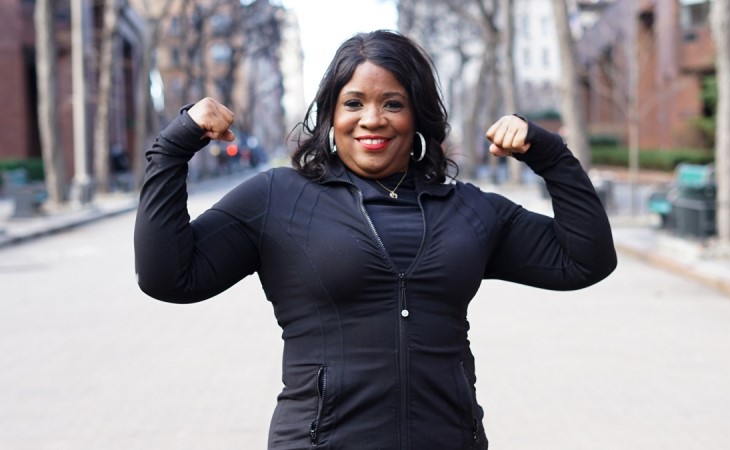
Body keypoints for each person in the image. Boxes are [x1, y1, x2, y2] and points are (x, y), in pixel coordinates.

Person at [134, 30, 616, 449]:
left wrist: (551, 156)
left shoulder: (469, 209)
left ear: (417, 115)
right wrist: (174, 146)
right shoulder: (277, 199)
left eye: (392, 103)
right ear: (329, 115)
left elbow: (585, 261)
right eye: (353, 103)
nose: (372, 119)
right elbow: (169, 277)